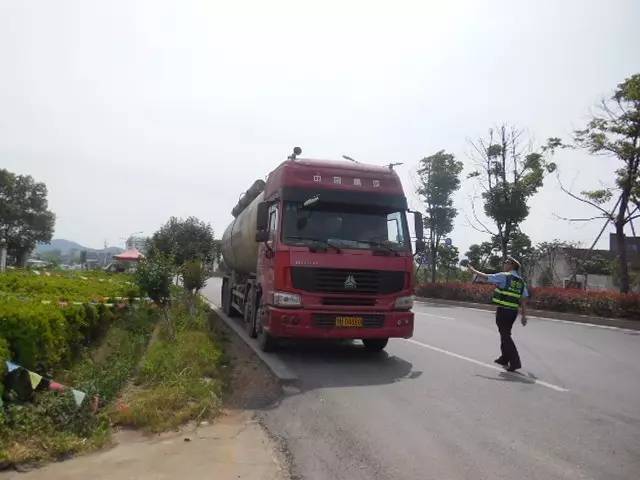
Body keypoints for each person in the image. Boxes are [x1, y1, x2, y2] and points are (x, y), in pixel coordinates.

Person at [467, 257, 529, 372]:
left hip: (503, 311)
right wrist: (524, 316)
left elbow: (487, 276)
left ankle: (515, 362)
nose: (504, 264)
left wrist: (474, 271)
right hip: (513, 312)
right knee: (505, 333)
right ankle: (504, 358)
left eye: (506, 263)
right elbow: (523, 299)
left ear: (511, 265)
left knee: (505, 335)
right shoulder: (521, 281)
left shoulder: (505, 276)